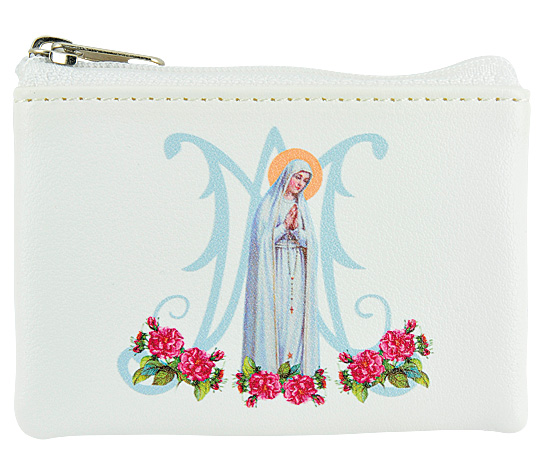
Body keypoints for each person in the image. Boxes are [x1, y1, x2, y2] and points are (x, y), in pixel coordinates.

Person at [242, 159, 320, 375]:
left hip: (297, 267)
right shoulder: (268, 204)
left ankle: (294, 371)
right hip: (274, 268)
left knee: (296, 319)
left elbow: (311, 242)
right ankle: (272, 371)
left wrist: (295, 231)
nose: (300, 183)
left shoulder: (302, 207)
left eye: (305, 181)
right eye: (298, 177)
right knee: (278, 318)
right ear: (287, 176)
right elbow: (261, 241)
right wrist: (283, 227)